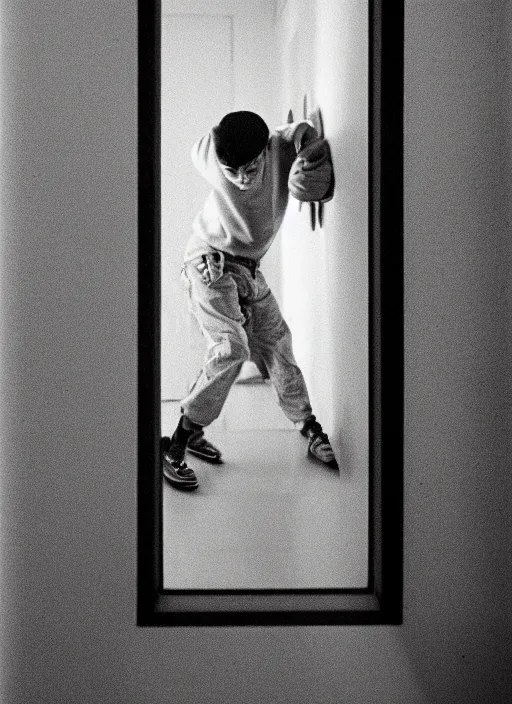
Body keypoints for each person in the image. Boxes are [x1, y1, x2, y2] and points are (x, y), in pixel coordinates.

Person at [162, 110, 337, 491]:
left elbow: (303, 134)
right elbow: (213, 143)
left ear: (266, 151)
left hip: (249, 269)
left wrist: (311, 158)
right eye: (232, 171)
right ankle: (175, 444)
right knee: (232, 348)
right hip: (207, 263)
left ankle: (310, 428)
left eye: (251, 166)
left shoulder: (278, 147)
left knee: (276, 341)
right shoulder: (208, 153)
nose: (242, 178)